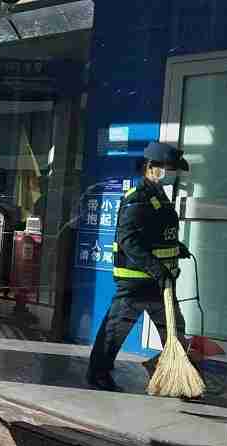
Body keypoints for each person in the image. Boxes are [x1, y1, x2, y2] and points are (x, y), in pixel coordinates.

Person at [86, 142, 192, 391]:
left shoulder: (159, 196)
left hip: (159, 281)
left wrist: (177, 247)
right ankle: (98, 374)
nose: (171, 175)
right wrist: (157, 269)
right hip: (136, 282)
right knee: (116, 330)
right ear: (151, 167)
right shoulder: (138, 198)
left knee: (174, 330)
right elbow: (128, 240)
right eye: (168, 169)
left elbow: (155, 234)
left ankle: (176, 375)